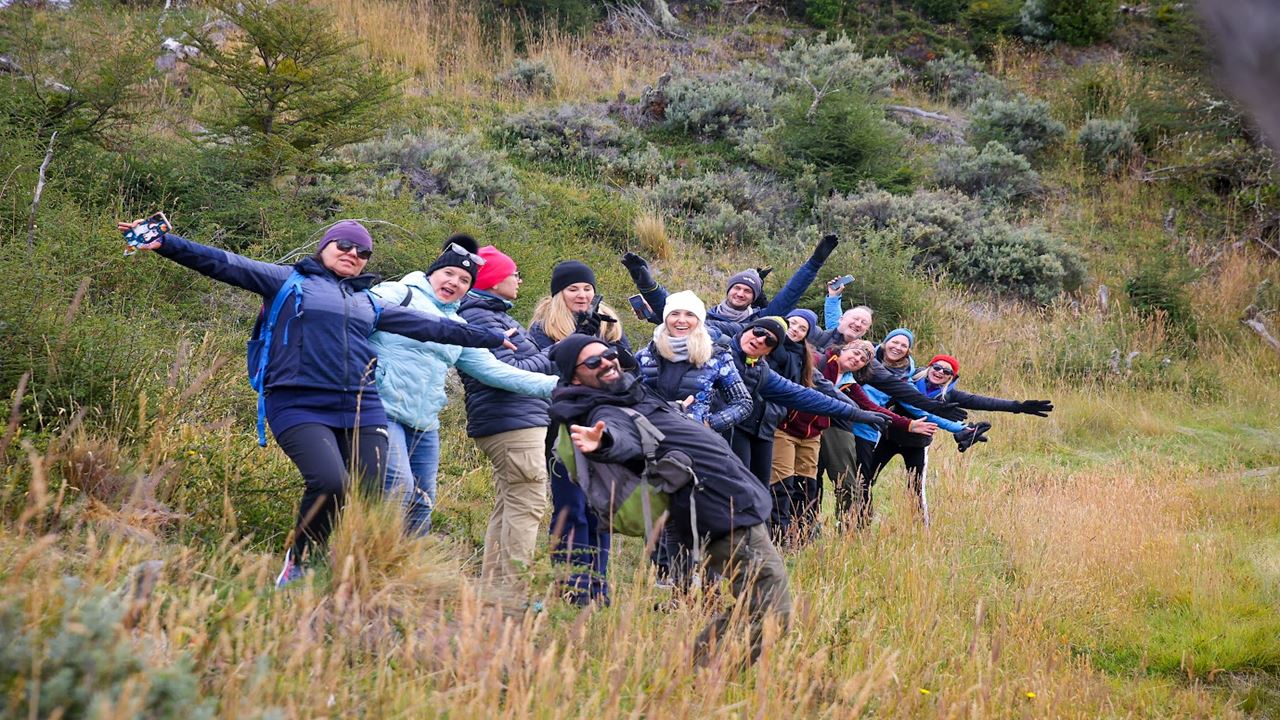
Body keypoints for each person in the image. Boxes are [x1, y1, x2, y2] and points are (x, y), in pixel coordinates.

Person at [118, 219, 511, 587]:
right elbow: (223, 262)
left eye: (363, 253)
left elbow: (434, 326)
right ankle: (299, 561)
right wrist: (165, 243)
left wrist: (491, 338)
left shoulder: (368, 302)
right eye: (344, 245)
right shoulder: (287, 280)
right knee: (330, 483)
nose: (353, 254)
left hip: (361, 406)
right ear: (325, 247)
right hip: (298, 402)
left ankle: (362, 568)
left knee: (378, 490)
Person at [548, 334, 791, 667]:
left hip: (730, 497)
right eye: (593, 362)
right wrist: (603, 441)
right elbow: (620, 436)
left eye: (607, 354)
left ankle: (696, 671)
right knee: (772, 610)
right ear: (575, 376)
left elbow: (649, 432)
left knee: (760, 604)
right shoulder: (602, 409)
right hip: (719, 508)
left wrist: (676, 411)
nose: (606, 362)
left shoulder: (629, 395)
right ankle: (700, 676)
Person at [368, 235, 557, 535]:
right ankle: (371, 564)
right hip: (381, 410)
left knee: (421, 502)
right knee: (398, 489)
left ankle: (408, 571)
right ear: (433, 273)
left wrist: (556, 386)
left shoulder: (460, 326)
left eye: (464, 280)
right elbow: (354, 315)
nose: (454, 282)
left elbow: (493, 370)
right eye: (449, 274)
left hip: (424, 422)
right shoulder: (397, 293)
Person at [529, 260, 632, 606]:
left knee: (600, 510)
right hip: (563, 427)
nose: (582, 294)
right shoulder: (544, 327)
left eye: (587, 288)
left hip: (605, 427)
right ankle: (571, 584)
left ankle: (598, 586)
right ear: (560, 292)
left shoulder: (609, 324)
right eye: (574, 288)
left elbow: (629, 368)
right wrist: (576, 342)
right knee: (570, 506)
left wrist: (602, 344)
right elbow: (543, 367)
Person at [457, 245, 560, 590]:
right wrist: (553, 358)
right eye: (513, 273)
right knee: (528, 502)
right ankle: (513, 594)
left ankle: (495, 589)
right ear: (494, 279)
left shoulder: (493, 313)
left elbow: (527, 361)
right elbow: (508, 370)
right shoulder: (484, 317)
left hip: (513, 419)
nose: (518, 280)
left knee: (510, 503)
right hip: (512, 420)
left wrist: (555, 352)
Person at [634, 290, 753, 583]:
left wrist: (710, 424)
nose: (681, 320)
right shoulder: (646, 354)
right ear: (665, 317)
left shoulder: (716, 355)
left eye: (689, 315)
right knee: (661, 514)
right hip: (653, 444)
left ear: (699, 320)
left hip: (699, 446)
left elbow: (743, 402)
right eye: (675, 314)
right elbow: (631, 396)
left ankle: (710, 577)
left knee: (703, 512)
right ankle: (671, 579)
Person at [866, 353, 1053, 523]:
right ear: (929, 367)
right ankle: (861, 517)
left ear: (952, 377)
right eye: (936, 367)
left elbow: (984, 402)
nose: (939, 372)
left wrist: (1017, 406)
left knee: (916, 489)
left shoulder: (950, 395)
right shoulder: (909, 381)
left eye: (946, 371)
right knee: (865, 478)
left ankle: (920, 529)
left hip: (917, 444)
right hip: (888, 438)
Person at [726, 316, 891, 490]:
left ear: (770, 350)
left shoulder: (764, 370)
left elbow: (805, 395)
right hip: (772, 428)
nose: (761, 340)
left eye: (769, 341)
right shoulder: (720, 351)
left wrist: (858, 414)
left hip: (786, 430)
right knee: (764, 485)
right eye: (758, 332)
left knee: (776, 488)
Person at [620, 234, 841, 338]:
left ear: (754, 297)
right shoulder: (704, 316)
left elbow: (791, 294)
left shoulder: (760, 321)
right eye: (737, 288)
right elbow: (670, 305)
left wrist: (814, 263)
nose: (740, 293)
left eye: (748, 291)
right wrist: (645, 282)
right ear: (728, 290)